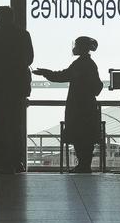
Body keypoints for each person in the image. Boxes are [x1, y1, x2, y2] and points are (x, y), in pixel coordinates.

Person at [33, 36, 103, 173]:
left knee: (79, 135)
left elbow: (62, 76)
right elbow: (97, 86)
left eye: (76, 45)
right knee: (86, 136)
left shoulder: (80, 64)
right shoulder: (89, 63)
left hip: (78, 106)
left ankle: (83, 165)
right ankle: (84, 165)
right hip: (87, 106)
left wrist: (45, 73)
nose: (74, 48)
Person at [0, 6, 34, 174]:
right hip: (17, 86)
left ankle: (3, 162)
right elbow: (29, 59)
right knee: (16, 124)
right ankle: (17, 161)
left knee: (1, 125)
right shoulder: (23, 35)